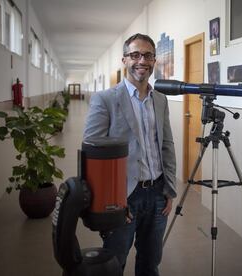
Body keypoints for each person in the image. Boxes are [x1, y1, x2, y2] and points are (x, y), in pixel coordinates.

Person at [83, 33, 176, 276]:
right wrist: (111, 200)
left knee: (150, 262)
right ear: (124, 60)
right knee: (115, 262)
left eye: (147, 55)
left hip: (157, 194)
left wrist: (169, 188)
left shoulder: (161, 100)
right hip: (123, 197)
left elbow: (167, 145)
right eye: (135, 55)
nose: (141, 61)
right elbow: (92, 153)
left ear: (154, 61)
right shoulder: (105, 99)